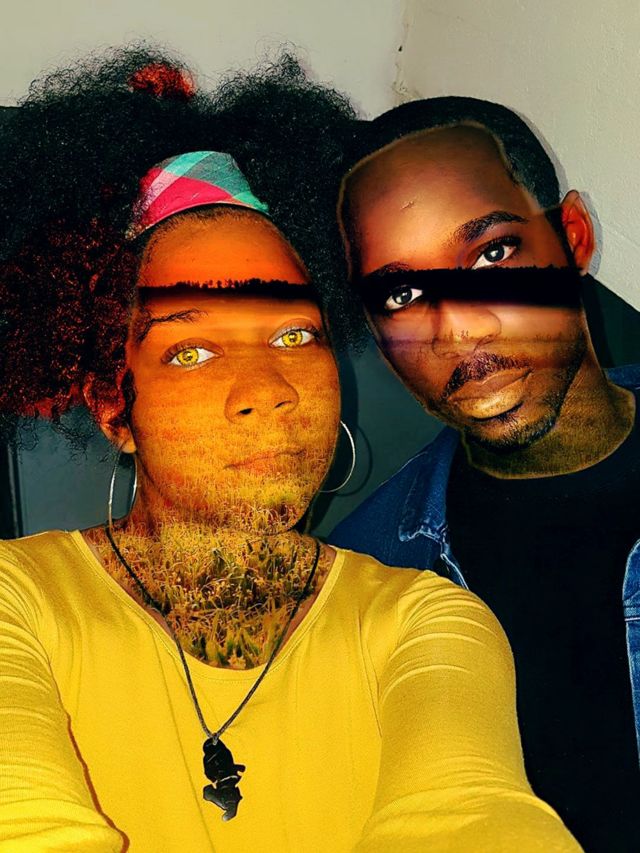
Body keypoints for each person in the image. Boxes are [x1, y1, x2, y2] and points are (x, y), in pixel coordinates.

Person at [0, 51, 580, 852]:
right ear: (112, 406)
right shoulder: (19, 605)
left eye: (294, 334)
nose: (265, 388)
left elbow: (472, 815)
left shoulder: (424, 621)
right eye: (190, 350)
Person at [331, 97, 640, 852]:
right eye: (402, 294)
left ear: (573, 237)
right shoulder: (365, 582)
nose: (458, 327)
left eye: (492, 254)